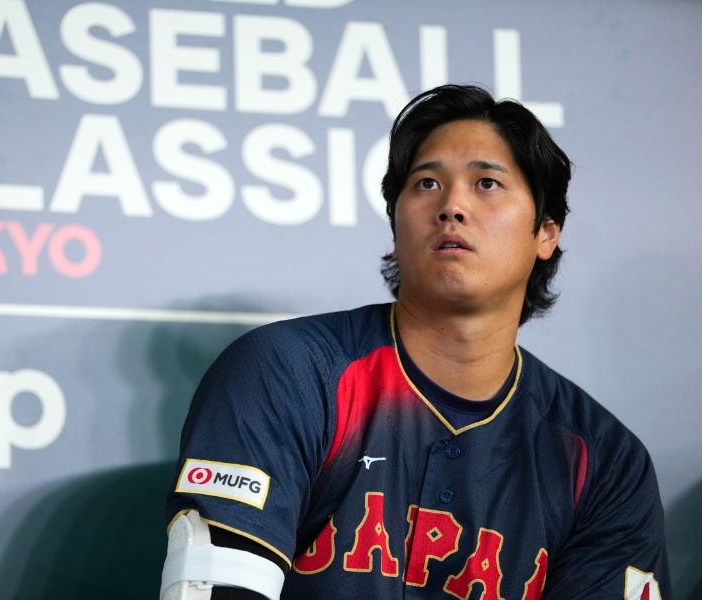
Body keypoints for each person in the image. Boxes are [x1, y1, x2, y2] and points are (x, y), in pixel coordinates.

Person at [160, 84, 671, 599]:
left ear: (545, 232)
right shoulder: (288, 372)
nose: (451, 205)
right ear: (396, 223)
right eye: (426, 183)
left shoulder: (601, 459)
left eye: (487, 183)